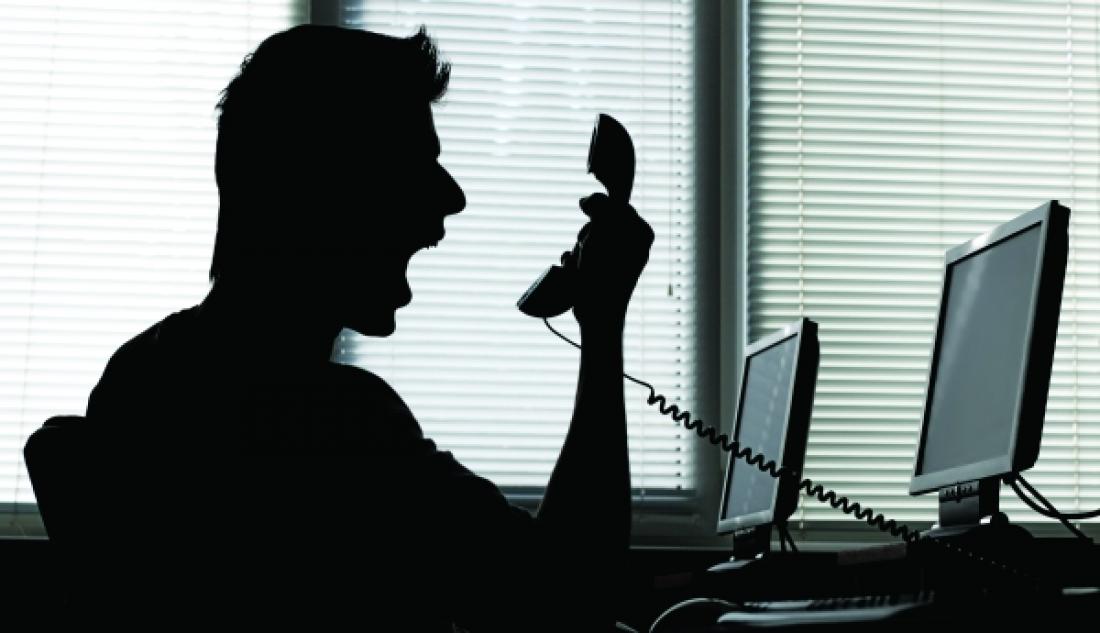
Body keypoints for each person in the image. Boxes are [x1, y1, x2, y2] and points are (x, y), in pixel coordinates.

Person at [83, 24, 653, 630]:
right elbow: (570, 601)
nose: (452, 197)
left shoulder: (139, 374)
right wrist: (603, 324)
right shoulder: (332, 425)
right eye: (415, 164)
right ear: (324, 190)